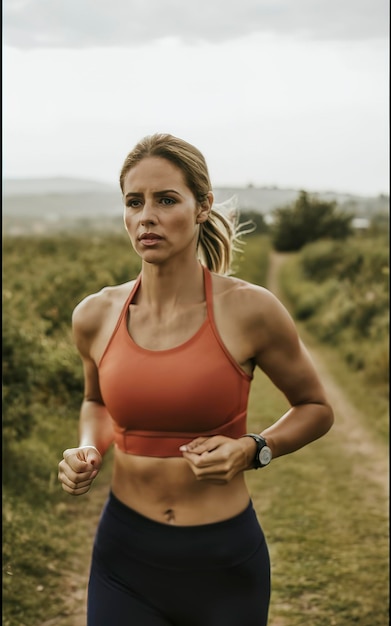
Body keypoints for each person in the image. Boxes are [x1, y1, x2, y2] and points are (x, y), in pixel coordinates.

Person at [58, 133, 334, 626]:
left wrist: (253, 448)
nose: (148, 216)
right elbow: (96, 403)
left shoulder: (251, 310)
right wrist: (88, 448)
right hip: (124, 558)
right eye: (134, 202)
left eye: (167, 200)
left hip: (224, 563)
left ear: (202, 206)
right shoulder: (94, 315)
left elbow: (316, 408)